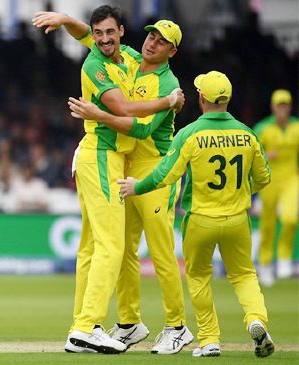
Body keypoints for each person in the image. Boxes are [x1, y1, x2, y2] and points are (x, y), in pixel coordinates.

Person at [33, 5, 184, 354]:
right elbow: (126, 110)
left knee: (90, 248)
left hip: (109, 159)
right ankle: (88, 327)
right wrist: (169, 100)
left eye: (109, 33)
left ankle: (81, 325)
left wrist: (66, 19)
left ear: (120, 33)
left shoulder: (128, 57)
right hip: (102, 156)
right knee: (113, 247)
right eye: (97, 34)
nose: (102, 39)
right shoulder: (95, 66)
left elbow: (83, 33)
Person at [118, 71, 275, 358]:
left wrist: (136, 186)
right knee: (243, 275)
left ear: (201, 98)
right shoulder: (248, 134)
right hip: (238, 219)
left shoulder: (189, 134)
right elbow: (264, 178)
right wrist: (240, 191)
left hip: (200, 219)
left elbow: (166, 175)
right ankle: (255, 319)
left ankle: (209, 340)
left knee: (199, 277)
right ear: (227, 99)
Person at [253, 89, 299, 286]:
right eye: (279, 105)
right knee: (268, 223)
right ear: (272, 107)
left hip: (291, 179)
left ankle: (283, 258)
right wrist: (265, 156)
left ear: (289, 107)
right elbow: (251, 153)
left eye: (285, 105)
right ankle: (264, 264)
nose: (282, 109)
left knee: (290, 217)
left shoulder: (296, 127)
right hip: (268, 180)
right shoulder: (263, 128)